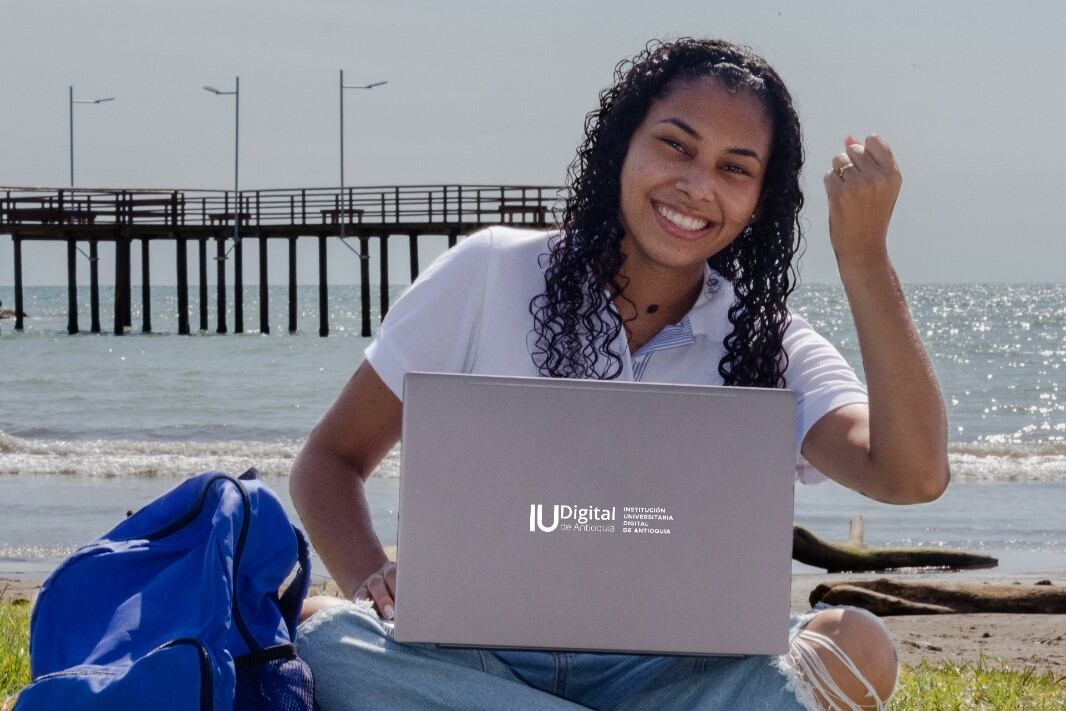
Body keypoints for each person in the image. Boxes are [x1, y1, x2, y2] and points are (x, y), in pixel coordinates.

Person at [289, 37, 949, 711]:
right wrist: (371, 574)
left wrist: (864, 256)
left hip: (669, 676)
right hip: (475, 654)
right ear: (622, 144)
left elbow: (912, 473)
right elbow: (329, 459)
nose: (697, 185)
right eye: (677, 145)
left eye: (735, 168)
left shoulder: (767, 339)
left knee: (857, 647)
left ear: (761, 199)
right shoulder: (489, 272)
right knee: (314, 630)